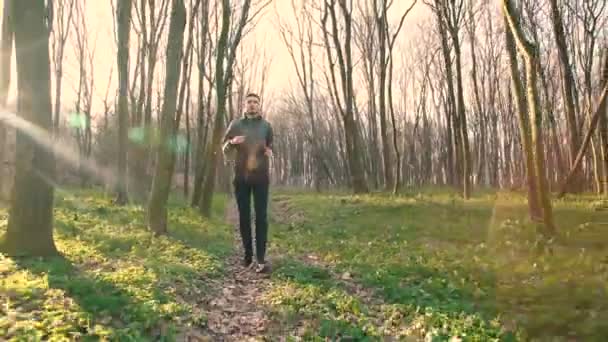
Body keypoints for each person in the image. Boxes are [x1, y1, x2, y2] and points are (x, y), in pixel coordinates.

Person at [222, 92, 273, 273]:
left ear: (259, 105)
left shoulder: (267, 126)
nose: (252, 105)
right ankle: (248, 256)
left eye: (255, 102)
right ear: (244, 105)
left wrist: (269, 153)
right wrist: (232, 142)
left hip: (261, 178)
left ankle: (260, 258)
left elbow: (271, 148)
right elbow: (224, 150)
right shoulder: (236, 125)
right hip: (241, 178)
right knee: (244, 217)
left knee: (261, 217)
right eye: (249, 102)